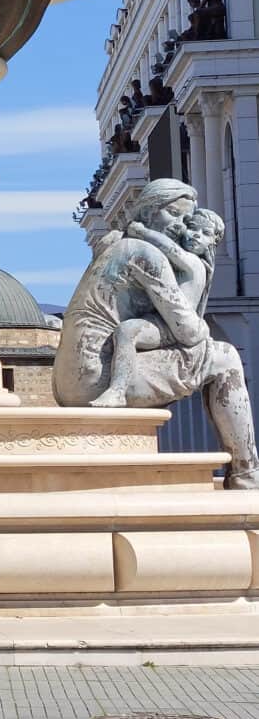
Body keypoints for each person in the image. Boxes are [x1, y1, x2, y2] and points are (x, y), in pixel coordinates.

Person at [53, 179, 259, 488]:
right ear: (149, 212)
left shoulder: (115, 244)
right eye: (173, 214)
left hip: (68, 379)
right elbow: (188, 331)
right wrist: (200, 327)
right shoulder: (146, 254)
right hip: (96, 377)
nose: (181, 226)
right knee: (224, 357)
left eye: (185, 218)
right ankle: (247, 475)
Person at [90, 208, 224, 408]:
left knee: (127, 331)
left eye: (205, 233)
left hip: (179, 327)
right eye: (193, 228)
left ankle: (118, 391)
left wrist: (142, 231)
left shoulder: (194, 263)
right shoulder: (178, 263)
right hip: (166, 322)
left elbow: (171, 249)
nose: (196, 235)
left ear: (213, 243)